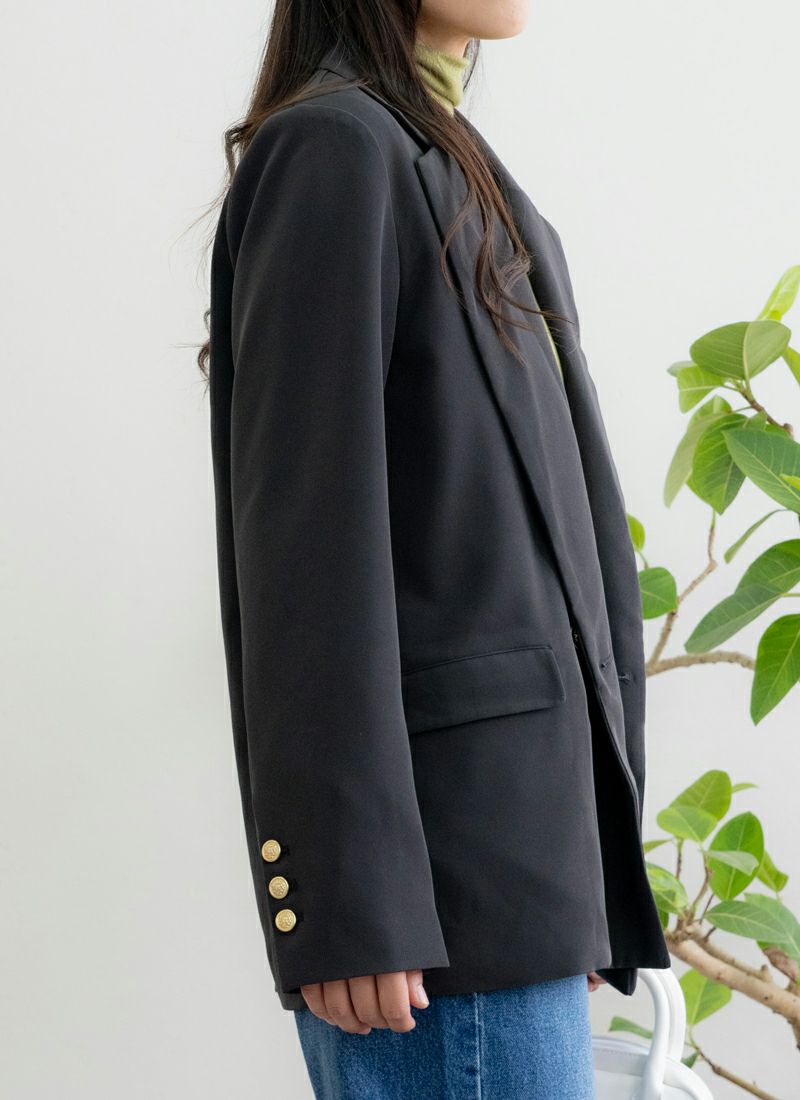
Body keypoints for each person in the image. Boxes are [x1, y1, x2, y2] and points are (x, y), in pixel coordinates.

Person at [201, 1, 670, 1096]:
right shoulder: (333, 149)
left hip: (518, 877)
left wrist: (586, 863)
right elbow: (306, 551)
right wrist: (349, 899)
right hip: (432, 906)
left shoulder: (457, 164)